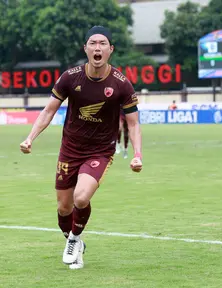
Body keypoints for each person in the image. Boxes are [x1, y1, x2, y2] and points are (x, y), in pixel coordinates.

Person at [19, 25, 143, 269]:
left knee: (81, 197)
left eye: (103, 44)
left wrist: (137, 155)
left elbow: (134, 123)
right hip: (70, 149)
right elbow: (48, 111)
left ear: (111, 49)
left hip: (100, 151)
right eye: (93, 43)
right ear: (85, 48)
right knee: (64, 208)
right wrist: (30, 137)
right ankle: (74, 241)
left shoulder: (121, 84)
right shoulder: (70, 77)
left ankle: (74, 239)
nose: (98, 48)